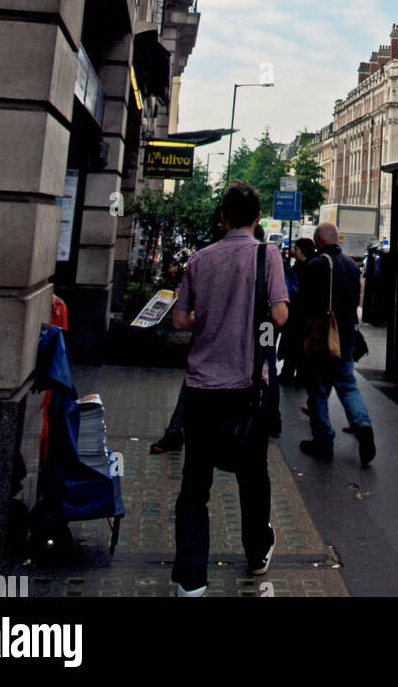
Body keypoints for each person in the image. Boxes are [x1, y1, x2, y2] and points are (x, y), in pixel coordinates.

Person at [169, 182, 288, 596]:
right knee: (253, 475)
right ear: (258, 218)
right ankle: (257, 553)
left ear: (223, 216)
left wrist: (213, 318)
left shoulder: (199, 260)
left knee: (194, 484)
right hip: (247, 387)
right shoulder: (266, 254)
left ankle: (190, 579)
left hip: (201, 389)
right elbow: (279, 313)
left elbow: (181, 321)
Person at [151, 206, 227, 454]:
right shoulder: (261, 257)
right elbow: (276, 316)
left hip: (210, 339)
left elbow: (182, 319)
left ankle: (179, 433)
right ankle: (182, 433)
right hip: (226, 342)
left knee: (196, 386)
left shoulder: (205, 256)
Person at [299, 224, 375, 467]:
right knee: (347, 385)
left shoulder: (317, 265)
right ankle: (362, 425)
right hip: (346, 338)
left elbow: (306, 303)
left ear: (320, 240)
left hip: (323, 337)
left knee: (318, 388)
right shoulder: (352, 266)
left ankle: (323, 441)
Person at [278, 237, 316, 385]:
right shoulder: (306, 266)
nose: (294, 252)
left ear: (303, 250)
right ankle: (297, 374)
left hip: (297, 315)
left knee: (293, 345)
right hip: (301, 315)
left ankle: (288, 372)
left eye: (296, 249)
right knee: (298, 346)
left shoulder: (302, 268)